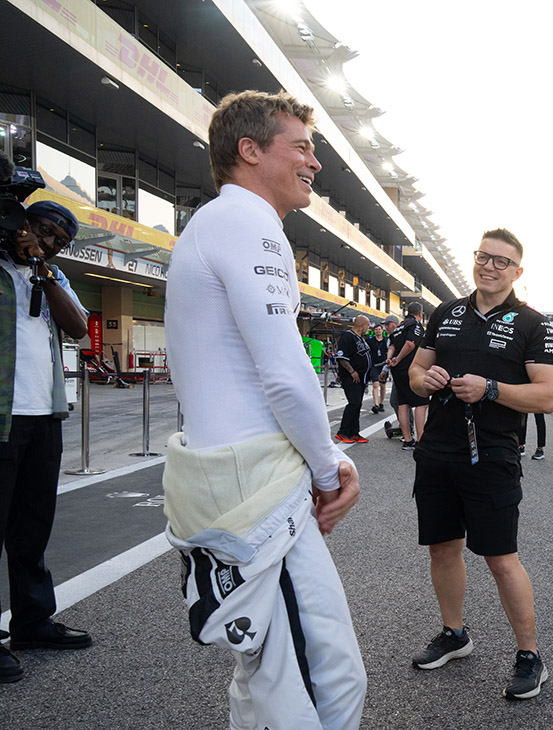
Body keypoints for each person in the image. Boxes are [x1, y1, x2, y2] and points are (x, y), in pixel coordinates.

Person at [163, 90, 364, 729]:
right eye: (301, 147)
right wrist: (329, 470)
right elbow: (284, 372)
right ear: (249, 150)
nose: (315, 163)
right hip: (258, 496)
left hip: (230, 483)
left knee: (265, 679)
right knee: (326, 681)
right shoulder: (248, 222)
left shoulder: (215, 223)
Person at [407, 228, 553, 700]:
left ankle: (530, 655)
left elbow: (548, 397)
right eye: (483, 257)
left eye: (501, 261)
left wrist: (490, 389)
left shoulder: (534, 324)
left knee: (500, 558)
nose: (489, 266)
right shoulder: (446, 312)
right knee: (442, 548)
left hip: (492, 455)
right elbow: (415, 374)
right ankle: (454, 634)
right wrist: (424, 379)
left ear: (517, 271)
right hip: (437, 451)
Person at [0, 198, 93, 684]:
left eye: (59, 239)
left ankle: (32, 623)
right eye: (42, 229)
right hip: (3, 416)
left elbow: (78, 328)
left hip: (43, 415)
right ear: (21, 222)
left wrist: (46, 272)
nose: (49, 241)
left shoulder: (51, 276)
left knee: (33, 527)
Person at [389, 301, 429, 451]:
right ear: (420, 314)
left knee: (403, 404)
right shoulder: (415, 325)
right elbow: (410, 344)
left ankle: (407, 440)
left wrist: (390, 359)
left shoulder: (400, 326)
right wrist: (398, 359)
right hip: (410, 368)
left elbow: (391, 345)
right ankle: (420, 440)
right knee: (421, 403)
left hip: (397, 370)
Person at [334, 314, 371, 444]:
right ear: (362, 325)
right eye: (367, 325)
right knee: (354, 403)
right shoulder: (348, 336)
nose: (368, 328)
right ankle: (342, 432)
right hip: (351, 377)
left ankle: (354, 432)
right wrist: (352, 371)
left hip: (362, 378)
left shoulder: (361, 338)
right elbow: (342, 357)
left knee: (358, 404)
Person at [368, 317, 393, 414]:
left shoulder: (386, 340)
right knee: (375, 384)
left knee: (382, 385)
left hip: (384, 365)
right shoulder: (370, 341)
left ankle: (381, 403)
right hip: (374, 365)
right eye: (376, 329)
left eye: (379, 329)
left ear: (382, 331)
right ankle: (376, 404)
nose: (378, 331)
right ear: (374, 331)